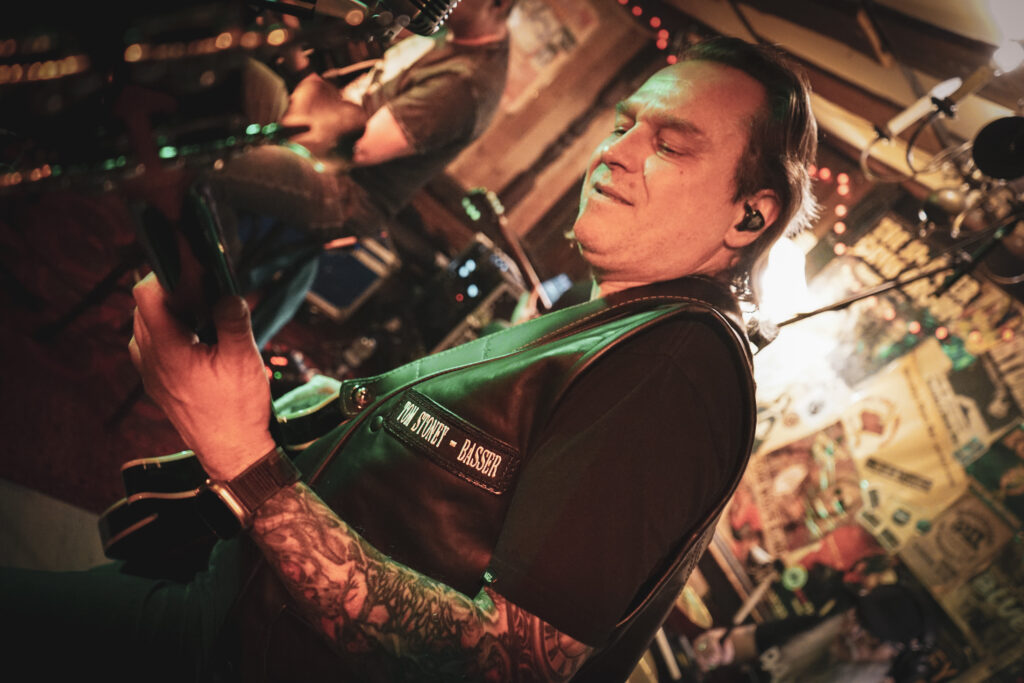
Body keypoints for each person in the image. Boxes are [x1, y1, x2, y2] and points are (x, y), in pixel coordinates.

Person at [0, 35, 818, 682]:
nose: (617, 150)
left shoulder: (679, 367)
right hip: (233, 601)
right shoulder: (626, 324)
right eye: (623, 124)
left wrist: (245, 459)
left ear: (750, 215)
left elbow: (510, 663)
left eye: (670, 145)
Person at [199, 0, 518, 345]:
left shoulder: (466, 86)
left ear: (498, 4)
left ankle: (196, 289)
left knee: (214, 162)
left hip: (345, 189)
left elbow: (356, 147)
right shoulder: (451, 36)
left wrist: (302, 78)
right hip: (323, 126)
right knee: (228, 68)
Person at [691, 583, 936, 683]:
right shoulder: (813, 628)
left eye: (871, 636)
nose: (851, 631)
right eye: (856, 616)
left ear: (896, 658)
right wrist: (714, 646)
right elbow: (739, 642)